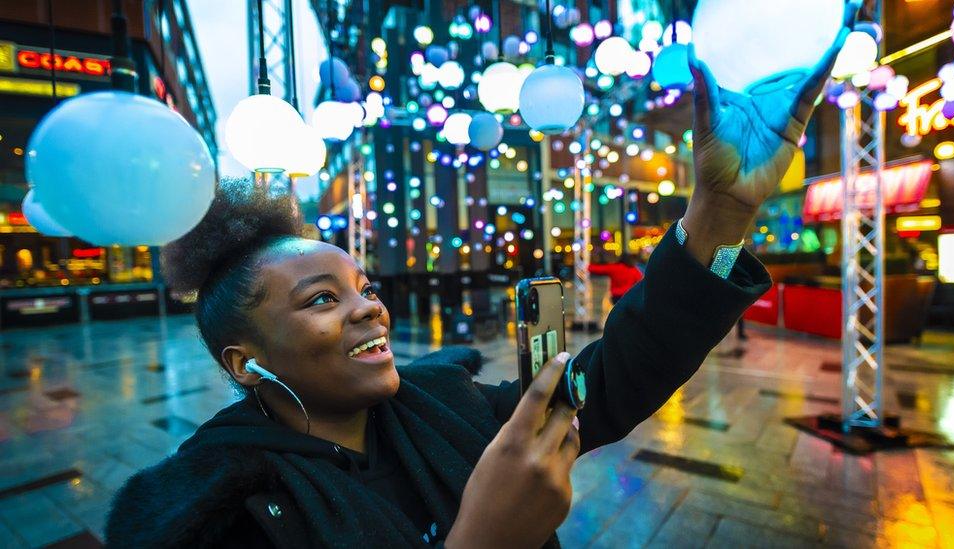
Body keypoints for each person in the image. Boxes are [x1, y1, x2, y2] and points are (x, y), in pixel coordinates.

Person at [104, 6, 855, 545]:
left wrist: (719, 213)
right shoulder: (212, 510)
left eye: (365, 287)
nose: (371, 310)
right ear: (245, 360)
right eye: (323, 299)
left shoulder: (447, 402)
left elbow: (614, 378)